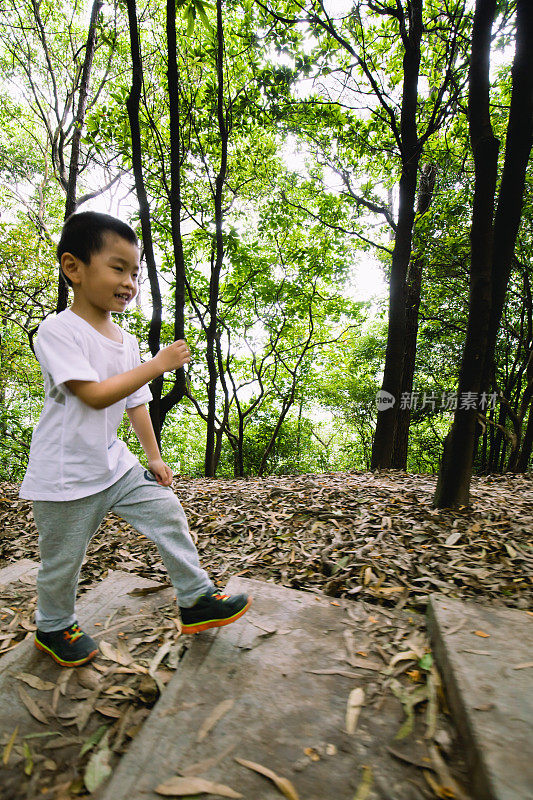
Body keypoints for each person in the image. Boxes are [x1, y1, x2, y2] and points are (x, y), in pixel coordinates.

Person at [19, 211, 251, 668]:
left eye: (136, 273)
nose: (129, 282)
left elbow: (135, 402)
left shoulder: (124, 341)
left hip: (114, 464)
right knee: (62, 563)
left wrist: (155, 457)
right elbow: (92, 396)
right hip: (66, 475)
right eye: (118, 268)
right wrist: (159, 364)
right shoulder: (58, 330)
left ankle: (196, 598)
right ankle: (52, 626)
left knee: (166, 512)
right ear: (74, 268)